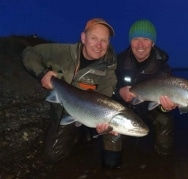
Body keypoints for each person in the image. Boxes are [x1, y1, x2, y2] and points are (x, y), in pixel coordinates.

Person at [21, 18, 117, 163]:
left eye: (104, 40)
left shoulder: (108, 74)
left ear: (108, 43)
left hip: (86, 115)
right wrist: (42, 73)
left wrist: (103, 127)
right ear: (83, 38)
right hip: (60, 109)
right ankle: (79, 136)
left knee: (110, 130)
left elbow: (103, 104)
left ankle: (85, 132)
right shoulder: (63, 52)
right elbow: (29, 53)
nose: (99, 45)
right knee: (53, 155)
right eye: (94, 38)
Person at [99, 19, 177, 169]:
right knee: (111, 124)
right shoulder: (118, 61)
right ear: (130, 41)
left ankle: (164, 163)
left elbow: (163, 106)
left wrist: (165, 107)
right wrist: (118, 91)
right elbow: (106, 86)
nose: (140, 45)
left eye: (146, 39)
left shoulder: (162, 66)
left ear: (153, 43)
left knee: (165, 119)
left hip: (150, 107)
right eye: (136, 39)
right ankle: (111, 167)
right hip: (124, 106)